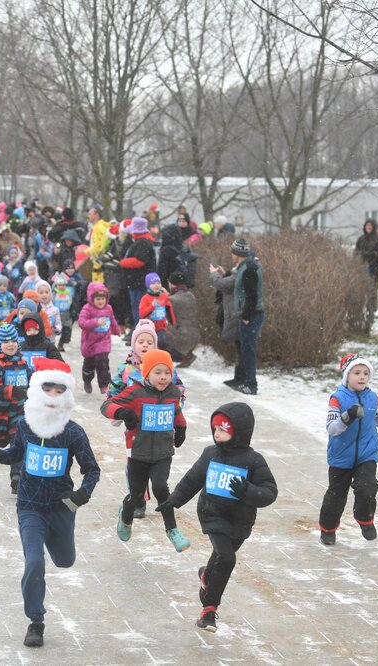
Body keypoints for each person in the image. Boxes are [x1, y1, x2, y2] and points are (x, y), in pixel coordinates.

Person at [0, 357, 100, 649]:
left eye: (60, 390)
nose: (53, 396)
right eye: (48, 389)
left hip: (61, 506)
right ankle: (36, 621)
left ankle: (56, 540)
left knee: (65, 560)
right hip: (29, 505)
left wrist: (83, 493)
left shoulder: (72, 432)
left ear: (67, 395)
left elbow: (92, 469)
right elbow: (17, 452)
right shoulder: (26, 425)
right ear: (37, 390)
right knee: (34, 562)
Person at [157, 402, 278, 633]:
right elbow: (192, 480)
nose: (216, 434)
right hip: (211, 513)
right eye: (214, 429)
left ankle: (206, 574)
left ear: (239, 431)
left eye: (222, 429)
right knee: (227, 558)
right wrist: (173, 501)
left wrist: (247, 491)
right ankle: (209, 609)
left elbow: (270, 492)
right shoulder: (210, 454)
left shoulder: (254, 461)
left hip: (240, 520)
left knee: (221, 557)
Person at [101, 349, 190, 552]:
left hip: (163, 452)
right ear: (147, 373)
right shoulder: (135, 392)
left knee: (161, 488)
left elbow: (176, 412)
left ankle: (172, 530)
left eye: (167, 372)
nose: (163, 377)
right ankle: (126, 518)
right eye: (158, 372)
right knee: (137, 495)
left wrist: (181, 428)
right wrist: (122, 412)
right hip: (138, 453)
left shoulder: (173, 393)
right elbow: (106, 405)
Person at [318, 354, 378, 545]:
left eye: (366, 373)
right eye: (357, 372)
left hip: (367, 453)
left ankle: (365, 520)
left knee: (367, 487)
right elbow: (332, 429)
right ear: (346, 375)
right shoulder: (337, 399)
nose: (362, 377)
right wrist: (348, 416)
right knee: (336, 496)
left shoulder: (372, 398)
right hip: (341, 455)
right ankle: (328, 529)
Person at [0, 324, 33, 492]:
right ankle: (17, 474)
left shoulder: (22, 361)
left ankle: (18, 476)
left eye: (13, 340)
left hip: (22, 412)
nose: (11, 344)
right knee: (16, 443)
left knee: (20, 441)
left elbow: (31, 378)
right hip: (4, 413)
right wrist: (13, 391)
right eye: (6, 342)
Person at [230, 237, 264, 395]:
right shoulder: (245, 266)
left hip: (251, 315)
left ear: (237, 253)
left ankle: (251, 384)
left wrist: (246, 315)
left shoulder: (248, 268)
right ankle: (245, 381)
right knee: (245, 348)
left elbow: (252, 295)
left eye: (233, 252)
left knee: (248, 349)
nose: (231, 255)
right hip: (249, 314)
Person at [77, 282, 121, 394]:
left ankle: (104, 385)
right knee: (89, 365)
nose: (101, 301)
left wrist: (116, 330)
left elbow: (112, 320)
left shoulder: (108, 308)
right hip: (90, 342)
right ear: (91, 299)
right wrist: (96, 322)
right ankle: (87, 379)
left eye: (103, 298)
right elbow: (81, 322)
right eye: (98, 299)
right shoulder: (87, 309)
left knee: (103, 362)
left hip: (104, 341)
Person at [209, 258, 242, 386]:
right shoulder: (240, 270)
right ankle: (239, 378)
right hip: (235, 312)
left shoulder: (243, 270)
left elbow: (223, 285)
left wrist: (214, 274)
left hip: (237, 313)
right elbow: (229, 283)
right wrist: (225, 274)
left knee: (242, 347)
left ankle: (243, 380)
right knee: (240, 346)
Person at [119, 216, 157, 325]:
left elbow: (140, 261)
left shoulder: (142, 243)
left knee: (139, 307)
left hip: (139, 283)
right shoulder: (145, 241)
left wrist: (123, 263)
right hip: (139, 281)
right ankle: (138, 329)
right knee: (138, 307)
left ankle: (140, 330)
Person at [166, 270, 199, 367]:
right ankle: (186, 355)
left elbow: (168, 319)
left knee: (160, 329)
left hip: (182, 335)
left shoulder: (171, 299)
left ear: (172, 284)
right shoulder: (191, 296)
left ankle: (181, 355)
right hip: (194, 334)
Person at [354, 219, 378, 288]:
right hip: (362, 266)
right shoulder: (361, 239)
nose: (368, 227)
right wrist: (360, 255)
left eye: (370, 226)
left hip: (374, 266)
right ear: (364, 227)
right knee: (362, 288)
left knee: (373, 289)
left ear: (374, 227)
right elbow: (356, 251)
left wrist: (373, 254)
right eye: (367, 225)